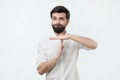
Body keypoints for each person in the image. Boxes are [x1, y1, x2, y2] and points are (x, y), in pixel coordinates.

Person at [36, 5, 97, 80]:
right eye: (54, 18)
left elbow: (94, 45)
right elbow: (40, 71)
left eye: (61, 19)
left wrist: (70, 36)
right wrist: (56, 57)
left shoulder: (74, 39)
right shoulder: (44, 41)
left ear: (67, 21)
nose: (57, 22)